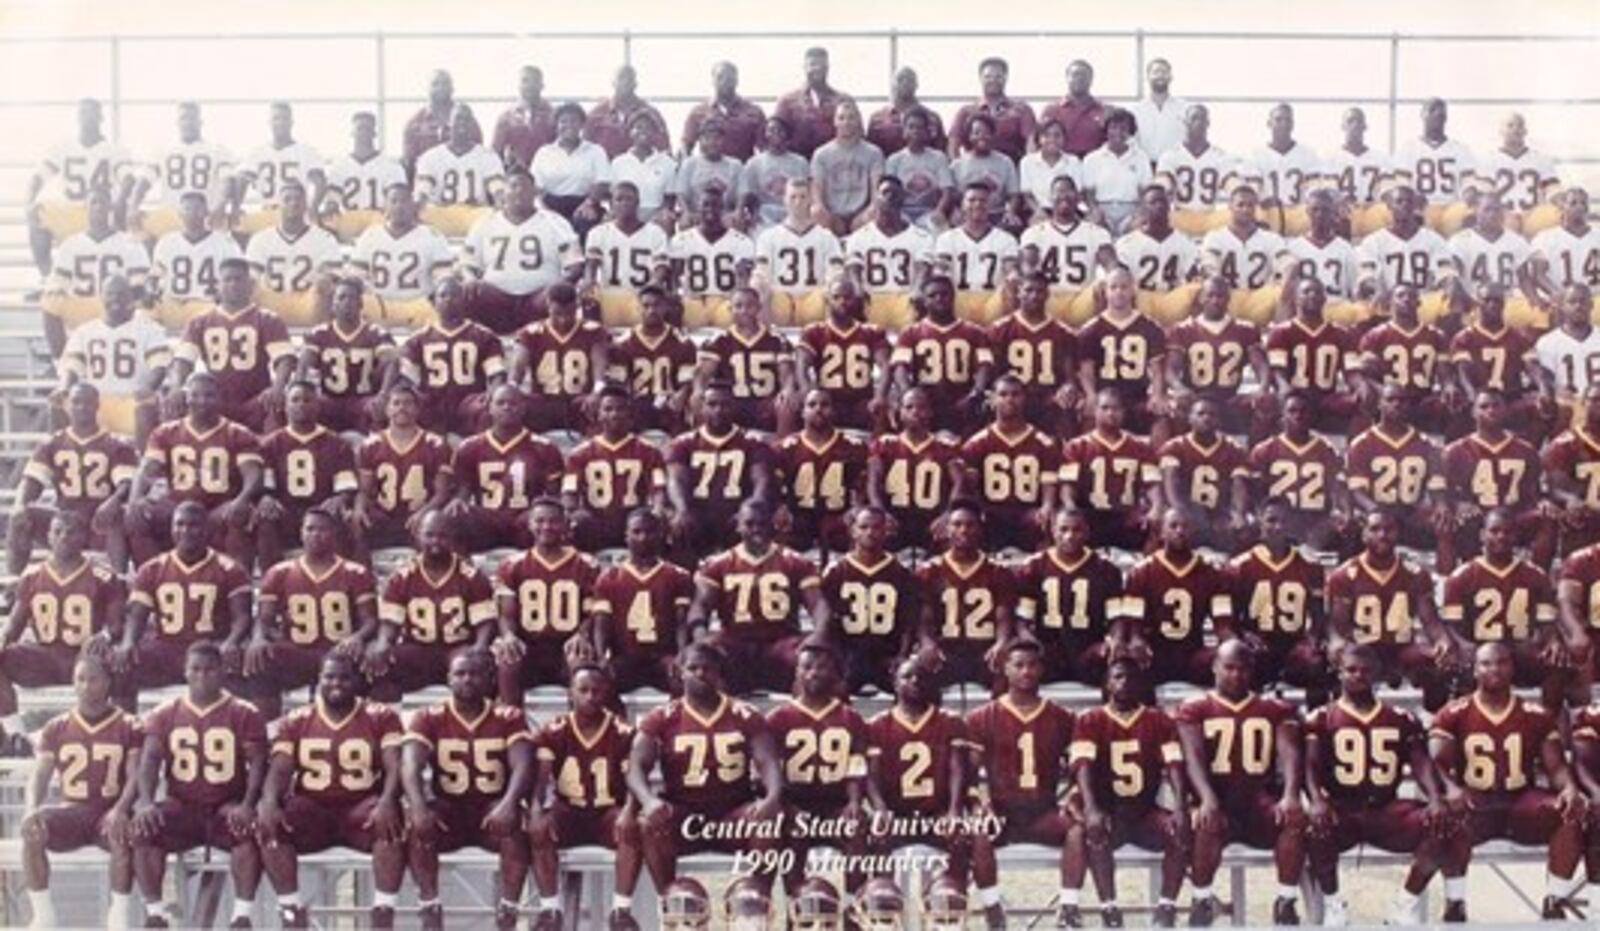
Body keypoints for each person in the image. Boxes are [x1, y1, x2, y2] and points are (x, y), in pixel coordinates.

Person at [1429, 642, 1588, 921]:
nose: (1495, 669)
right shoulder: (1453, 713)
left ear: (1513, 668)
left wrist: (1570, 788)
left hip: (1520, 800)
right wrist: (1451, 789)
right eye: (1486, 663)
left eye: (1502, 662)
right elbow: (1434, 765)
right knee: (1447, 819)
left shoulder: (1536, 715)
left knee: (1569, 814)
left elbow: (1556, 767)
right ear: (1475, 670)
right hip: (1475, 801)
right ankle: (1455, 903)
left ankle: (1556, 900)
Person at [1304, 644, 1453, 927]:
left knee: (1444, 823)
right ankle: (1333, 903)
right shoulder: (1322, 718)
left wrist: (1435, 797)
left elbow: (1421, 762)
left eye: (1365, 671)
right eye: (1351, 670)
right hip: (1342, 809)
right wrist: (1316, 799)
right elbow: (1309, 766)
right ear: (1339, 673)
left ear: (1377, 675)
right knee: (1312, 826)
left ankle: (1405, 904)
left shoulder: (1400, 718)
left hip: (1386, 809)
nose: (1359, 676)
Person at [257, 653, 405, 930]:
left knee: (391, 826)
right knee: (271, 824)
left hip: (361, 806)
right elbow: (279, 769)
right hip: (313, 809)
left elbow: (395, 764)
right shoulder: (296, 719)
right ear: (319, 680)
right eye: (329, 677)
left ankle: (383, 913)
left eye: (344, 677)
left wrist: (387, 801)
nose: (336, 683)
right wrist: (268, 801)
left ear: (356, 681)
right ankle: (291, 911)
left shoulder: (380, 716)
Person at [627, 641, 785, 894]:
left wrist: (773, 798)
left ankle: (758, 900)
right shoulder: (661, 717)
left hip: (733, 812)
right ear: (680, 672)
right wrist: (648, 800)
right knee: (648, 822)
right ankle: (669, 901)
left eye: (708, 668)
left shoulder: (744, 714)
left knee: (768, 819)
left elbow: (768, 762)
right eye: (693, 668)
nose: (700, 674)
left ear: (719, 672)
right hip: (684, 814)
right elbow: (636, 767)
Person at [131, 642, 267, 930]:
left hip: (226, 804)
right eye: (195, 669)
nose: (202, 676)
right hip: (182, 804)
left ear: (223, 672)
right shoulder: (165, 713)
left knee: (248, 832)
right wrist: (144, 801)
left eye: (210, 670)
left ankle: (241, 916)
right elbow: (150, 761)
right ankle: (156, 914)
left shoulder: (243, 712)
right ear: (185, 672)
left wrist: (248, 805)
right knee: (144, 828)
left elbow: (257, 763)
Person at [402, 648, 534, 931]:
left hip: (491, 807)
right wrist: (418, 806)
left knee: (515, 829)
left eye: (474, 674)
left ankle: (508, 910)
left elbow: (523, 765)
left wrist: (510, 803)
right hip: (449, 807)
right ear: (448, 679)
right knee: (418, 827)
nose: (467, 680)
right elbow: (410, 765)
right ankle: (430, 907)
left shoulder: (507, 716)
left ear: (489, 679)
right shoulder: (428, 716)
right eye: (460, 674)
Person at [1176, 640, 1305, 927]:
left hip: (1257, 799)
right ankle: (1202, 900)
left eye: (1243, 669)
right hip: (1218, 798)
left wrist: (1291, 794)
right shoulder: (1195, 707)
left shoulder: (1274, 708)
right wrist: (1206, 797)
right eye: (1229, 668)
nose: (1236, 675)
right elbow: (1192, 758)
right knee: (1207, 819)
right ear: (1214, 667)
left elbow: (1290, 752)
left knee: (1293, 819)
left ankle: (1286, 901)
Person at [20, 654, 142, 929]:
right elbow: (40, 774)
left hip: (108, 811)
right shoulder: (56, 727)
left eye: (94, 679)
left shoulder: (129, 725)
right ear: (73, 683)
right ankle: (43, 916)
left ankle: (118, 915)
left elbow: (136, 775)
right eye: (80, 679)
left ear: (108, 683)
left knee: (123, 835)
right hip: (72, 811)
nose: (86, 686)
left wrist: (121, 809)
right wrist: (30, 809)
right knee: (32, 830)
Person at [1067, 658, 1189, 928]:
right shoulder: (1090, 719)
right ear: (1107, 683)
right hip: (1108, 811)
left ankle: (1166, 907)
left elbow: (1174, 766)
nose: (1125, 683)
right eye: (1118, 677)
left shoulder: (1158, 720)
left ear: (1142, 684)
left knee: (1179, 829)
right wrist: (1091, 808)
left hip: (1144, 811)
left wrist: (1180, 807)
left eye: (1131, 678)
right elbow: (1082, 767)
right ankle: (1109, 908)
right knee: (1094, 829)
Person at [965, 639, 1076, 929]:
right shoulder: (981, 717)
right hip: (1003, 812)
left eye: (1033, 665)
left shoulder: (1062, 717)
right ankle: (992, 907)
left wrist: (1076, 796)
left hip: (1044, 812)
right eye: (1019, 665)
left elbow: (1081, 766)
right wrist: (978, 805)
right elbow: (968, 773)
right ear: (1005, 669)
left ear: (1042, 669)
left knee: (1078, 829)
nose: (1026, 671)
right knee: (977, 831)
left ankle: (1068, 907)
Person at [528, 662, 644, 931]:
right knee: (538, 827)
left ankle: (621, 911)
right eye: (583, 690)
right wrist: (535, 810)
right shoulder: (552, 731)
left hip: (607, 812)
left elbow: (634, 782)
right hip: (568, 810)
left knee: (633, 826)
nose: (590, 696)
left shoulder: (623, 732)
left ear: (606, 693)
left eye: (596, 690)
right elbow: (540, 779)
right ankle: (550, 911)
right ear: (571, 692)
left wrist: (628, 811)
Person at [0, 512, 124, 750]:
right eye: (58, 531)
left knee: (103, 660)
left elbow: (117, 624)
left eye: (71, 532)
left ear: (83, 538)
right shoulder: (32, 577)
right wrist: (3, 639)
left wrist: (104, 636)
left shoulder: (102, 576)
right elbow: (14, 626)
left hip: (85, 655)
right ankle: (17, 737)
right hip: (44, 657)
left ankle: (100, 733)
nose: (64, 537)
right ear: (48, 537)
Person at [687, 499, 829, 694]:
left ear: (772, 525)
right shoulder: (717, 564)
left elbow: (818, 604)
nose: (756, 529)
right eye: (749, 524)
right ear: (738, 525)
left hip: (781, 640)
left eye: (762, 524)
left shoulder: (795, 562)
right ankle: (716, 719)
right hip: (736, 641)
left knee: (813, 661)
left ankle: (804, 717)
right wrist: (701, 636)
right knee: (702, 661)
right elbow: (700, 605)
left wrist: (818, 634)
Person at [1326, 510, 1462, 710]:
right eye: (1375, 529)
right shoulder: (1344, 575)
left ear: (1398, 533)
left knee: (1439, 661)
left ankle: (1435, 719)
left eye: (1389, 529)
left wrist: (1443, 641)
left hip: (1401, 649)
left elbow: (1431, 622)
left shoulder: (1415, 574)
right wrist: (1338, 644)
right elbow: (1338, 626)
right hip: (1363, 650)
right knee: (1340, 662)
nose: (1382, 535)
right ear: (1364, 535)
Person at [766, 639, 870, 896]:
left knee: (857, 826)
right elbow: (768, 772)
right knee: (792, 829)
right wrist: (785, 806)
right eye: (807, 667)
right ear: (797, 673)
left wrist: (854, 802)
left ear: (835, 673)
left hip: (835, 805)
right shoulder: (778, 718)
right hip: (795, 804)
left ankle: (852, 906)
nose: (814, 672)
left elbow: (856, 765)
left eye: (822, 667)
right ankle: (796, 905)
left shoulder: (850, 718)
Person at [116, 501, 254, 694]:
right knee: (120, 665)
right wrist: (128, 641)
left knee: (248, 665)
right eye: (179, 524)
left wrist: (231, 642)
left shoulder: (230, 569)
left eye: (193, 525)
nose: (185, 531)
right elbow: (136, 616)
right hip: (166, 648)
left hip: (211, 649)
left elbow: (243, 617)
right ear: (171, 528)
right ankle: (127, 723)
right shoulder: (151, 569)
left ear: (206, 530)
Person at [126, 372, 263, 566]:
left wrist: (242, 499)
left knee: (240, 514)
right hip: (177, 508)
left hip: (218, 507)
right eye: (195, 395)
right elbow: (146, 470)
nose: (202, 401)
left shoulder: (237, 433)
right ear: (186, 397)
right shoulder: (165, 432)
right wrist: (135, 501)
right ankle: (150, 581)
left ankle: (237, 582)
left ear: (219, 398)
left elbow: (253, 474)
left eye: (209, 395)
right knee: (136, 515)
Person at [251, 508, 378, 715]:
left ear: (334, 533)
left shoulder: (355, 573)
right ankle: (267, 729)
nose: (315, 534)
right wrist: (258, 639)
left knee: (368, 660)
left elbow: (370, 621)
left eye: (322, 529)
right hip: (297, 651)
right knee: (261, 658)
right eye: (310, 529)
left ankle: (356, 724)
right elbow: (264, 618)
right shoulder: (278, 573)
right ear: (301, 533)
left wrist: (357, 637)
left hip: (340, 654)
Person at [1441, 509, 1569, 709]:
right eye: (1495, 531)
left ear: (1515, 536)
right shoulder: (1462, 577)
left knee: (1556, 662)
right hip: (1478, 652)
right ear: (1482, 535)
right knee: (1454, 666)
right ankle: (1462, 722)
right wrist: (1463, 645)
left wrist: (1553, 641)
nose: (1501, 536)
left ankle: (1547, 724)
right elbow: (1451, 626)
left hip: (1518, 651)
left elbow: (1546, 622)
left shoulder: (1535, 575)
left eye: (1507, 532)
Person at [862, 656, 974, 880]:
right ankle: (883, 900)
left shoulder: (951, 722)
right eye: (907, 676)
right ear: (894, 682)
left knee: (959, 837)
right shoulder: (876, 725)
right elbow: (871, 775)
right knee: (877, 837)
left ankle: (953, 899)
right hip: (896, 816)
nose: (914, 681)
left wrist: (954, 811)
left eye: (921, 677)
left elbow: (957, 769)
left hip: (936, 815)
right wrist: (880, 808)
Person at [365, 514, 497, 700]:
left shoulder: (471, 576)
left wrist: (480, 646)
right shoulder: (402, 577)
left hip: (458, 647)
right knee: (378, 661)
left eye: (442, 536)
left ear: (452, 537)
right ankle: (387, 720)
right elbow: (390, 622)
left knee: (476, 665)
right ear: (418, 537)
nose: (435, 541)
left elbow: (485, 621)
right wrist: (384, 642)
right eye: (430, 535)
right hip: (417, 649)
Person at [7, 387, 133, 574]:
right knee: (20, 516)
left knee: (118, 516)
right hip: (65, 520)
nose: (82, 407)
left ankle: (118, 583)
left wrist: (113, 501)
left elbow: (127, 485)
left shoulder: (114, 444)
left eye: (87, 402)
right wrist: (19, 505)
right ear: (67, 406)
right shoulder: (53, 443)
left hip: (99, 522)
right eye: (76, 402)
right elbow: (31, 481)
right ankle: (16, 583)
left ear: (97, 405)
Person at [491, 497, 602, 700]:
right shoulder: (511, 565)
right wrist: (509, 636)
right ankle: (512, 726)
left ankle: (575, 727)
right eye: (540, 521)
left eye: (553, 521)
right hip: (530, 645)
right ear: (530, 524)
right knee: (508, 660)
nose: (546, 527)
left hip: (566, 645)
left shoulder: (586, 565)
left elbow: (591, 612)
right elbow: (507, 614)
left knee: (581, 665)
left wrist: (582, 634)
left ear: (566, 525)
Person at [168, 257, 295, 432]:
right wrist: (177, 387)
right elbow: (183, 361)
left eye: (238, 279)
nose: (233, 284)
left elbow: (284, 359)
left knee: (275, 404)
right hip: (214, 401)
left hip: (255, 399)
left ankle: (270, 456)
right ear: (218, 286)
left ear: (250, 285)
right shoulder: (200, 321)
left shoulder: (267, 319)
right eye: (227, 280)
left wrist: (278, 386)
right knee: (178, 401)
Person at [1116, 508, 1235, 687]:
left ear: (1194, 531)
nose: (1180, 531)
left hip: (1193, 653)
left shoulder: (1211, 573)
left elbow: (1223, 626)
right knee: (1126, 664)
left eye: (1185, 526)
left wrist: (1232, 646)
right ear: (1162, 532)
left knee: (1232, 658)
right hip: (1155, 653)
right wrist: (1137, 642)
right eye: (1173, 526)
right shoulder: (1141, 572)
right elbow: (1134, 629)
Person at [1225, 497, 1329, 694]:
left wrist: (1312, 639)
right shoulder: (1240, 566)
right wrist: (1245, 635)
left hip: (1293, 645)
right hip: (1258, 644)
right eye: (1271, 520)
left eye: (1284, 521)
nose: (1278, 527)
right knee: (1243, 661)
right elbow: (1229, 619)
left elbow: (1318, 615)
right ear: (1259, 520)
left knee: (1316, 662)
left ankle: (1317, 720)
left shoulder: (1310, 565)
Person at [1441, 390, 1553, 571]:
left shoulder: (1526, 450)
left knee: (1547, 518)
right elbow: (1443, 493)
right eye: (1484, 406)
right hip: (1477, 518)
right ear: (1473, 412)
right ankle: (1471, 575)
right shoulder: (1454, 451)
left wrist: (1543, 503)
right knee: (1464, 519)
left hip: (1514, 517)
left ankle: (1539, 576)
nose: (1490, 411)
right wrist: (1459, 504)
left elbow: (1535, 492)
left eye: (1496, 406)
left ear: (1506, 410)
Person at [445, 385, 564, 552]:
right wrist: (458, 501)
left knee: (549, 520)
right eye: (500, 403)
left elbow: (554, 495)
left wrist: (537, 515)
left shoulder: (544, 448)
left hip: (526, 521)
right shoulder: (469, 448)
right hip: (486, 520)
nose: (507, 407)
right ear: (489, 408)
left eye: (513, 403)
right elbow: (464, 491)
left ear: (523, 408)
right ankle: (463, 569)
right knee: (454, 514)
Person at [1011, 508, 1122, 686]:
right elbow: (1023, 619)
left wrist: (1114, 641)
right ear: (1053, 531)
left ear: (1087, 532)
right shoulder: (1034, 567)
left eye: (1076, 530)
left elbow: (1116, 617)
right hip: (1049, 649)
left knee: (1121, 668)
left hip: (1089, 647)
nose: (1069, 536)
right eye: (1063, 529)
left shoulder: (1106, 570)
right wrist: (1029, 640)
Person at [254, 382, 359, 569]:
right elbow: (267, 487)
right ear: (285, 406)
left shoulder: (336, 443)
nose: (301, 404)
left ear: (318, 405)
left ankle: (341, 578)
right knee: (265, 519)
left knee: (341, 518)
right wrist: (266, 497)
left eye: (307, 400)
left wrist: (340, 498)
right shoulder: (271, 444)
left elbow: (345, 487)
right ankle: (271, 581)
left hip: (322, 510)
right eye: (295, 400)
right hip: (287, 511)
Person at [664, 381, 774, 558]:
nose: (718, 410)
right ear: (701, 408)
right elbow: (676, 479)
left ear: (734, 408)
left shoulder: (752, 443)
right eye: (712, 404)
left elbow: (761, 481)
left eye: (725, 405)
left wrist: (751, 512)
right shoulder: (684, 443)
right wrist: (682, 509)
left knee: (755, 524)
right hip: (698, 515)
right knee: (680, 526)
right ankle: (686, 581)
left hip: (735, 515)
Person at [817, 506, 922, 692]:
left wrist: (902, 655)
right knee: (829, 689)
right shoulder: (837, 571)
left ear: (885, 531)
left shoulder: (900, 572)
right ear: (853, 531)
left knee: (918, 689)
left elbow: (909, 620)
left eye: (876, 527)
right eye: (864, 527)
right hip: (848, 656)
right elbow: (825, 618)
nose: (870, 533)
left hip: (886, 655)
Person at [591, 509, 694, 693]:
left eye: (649, 532)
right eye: (636, 532)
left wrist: (681, 655)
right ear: (626, 535)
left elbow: (681, 622)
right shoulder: (609, 577)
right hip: (625, 656)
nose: (643, 537)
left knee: (685, 681)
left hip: (663, 657)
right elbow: (601, 624)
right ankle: (613, 722)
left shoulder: (677, 576)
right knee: (600, 684)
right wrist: (601, 657)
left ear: (660, 534)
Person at [56, 276, 167, 444]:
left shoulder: (149, 329)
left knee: (146, 407)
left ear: (131, 298)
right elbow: (72, 367)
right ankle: (59, 462)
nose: (115, 298)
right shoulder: (85, 331)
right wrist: (63, 388)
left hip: (131, 401)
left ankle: (145, 464)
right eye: (110, 294)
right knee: (58, 403)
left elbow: (159, 366)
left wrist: (148, 387)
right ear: (101, 297)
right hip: (95, 402)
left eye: (121, 294)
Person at [916, 501, 1015, 687]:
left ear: (980, 529)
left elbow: (1004, 614)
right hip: (946, 650)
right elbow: (924, 617)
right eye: (957, 524)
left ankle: (995, 717)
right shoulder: (929, 571)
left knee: (1008, 673)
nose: (964, 530)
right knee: (916, 675)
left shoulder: (998, 572)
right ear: (946, 529)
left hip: (984, 650)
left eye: (970, 525)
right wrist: (927, 642)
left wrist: (1002, 642)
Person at [26, 98, 132, 272]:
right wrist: (28, 202)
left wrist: (120, 203)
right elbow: (37, 178)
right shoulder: (63, 147)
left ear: (101, 117)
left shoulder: (115, 150)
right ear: (76, 117)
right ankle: (47, 275)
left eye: (92, 112)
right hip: (70, 211)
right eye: (83, 112)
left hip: (102, 214)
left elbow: (128, 179)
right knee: (36, 213)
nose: (87, 117)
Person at [958, 375, 1062, 550]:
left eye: (1015, 394)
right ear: (993, 398)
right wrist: (979, 511)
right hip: (992, 514)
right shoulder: (976, 443)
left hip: (1028, 512)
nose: (1009, 399)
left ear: (1024, 398)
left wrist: (1047, 507)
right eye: (1003, 394)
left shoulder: (1044, 443)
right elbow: (971, 489)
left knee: (1048, 520)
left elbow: (1049, 487)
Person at [1239, 391, 1350, 553]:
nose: (1298, 416)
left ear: (1311, 416)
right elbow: (1255, 492)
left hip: (1316, 519)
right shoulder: (1265, 450)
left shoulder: (1326, 449)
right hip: (1280, 521)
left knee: (1347, 531)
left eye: (1303, 411)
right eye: (1292, 411)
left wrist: (1341, 513)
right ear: (1282, 415)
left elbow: (1338, 487)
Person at [1343, 383, 1449, 551]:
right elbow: (1357, 492)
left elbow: (1437, 488)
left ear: (1410, 406)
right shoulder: (1362, 444)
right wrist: (1376, 511)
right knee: (1352, 529)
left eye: (1402, 400)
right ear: (1379, 404)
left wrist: (1441, 506)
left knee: (1446, 524)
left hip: (1410, 513)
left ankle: (1442, 574)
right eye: (1390, 399)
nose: (1397, 404)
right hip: (1375, 510)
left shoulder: (1427, 445)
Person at [40, 185, 150, 346]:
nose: (98, 207)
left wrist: (124, 301)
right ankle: (62, 362)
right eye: (94, 202)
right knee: (49, 302)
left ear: (110, 207)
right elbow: (58, 284)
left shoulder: (130, 243)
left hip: (116, 306)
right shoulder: (71, 244)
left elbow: (139, 286)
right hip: (82, 304)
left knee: (146, 306)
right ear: (86, 207)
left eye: (103, 202)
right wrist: (55, 290)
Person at [351, 384, 455, 554]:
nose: (402, 408)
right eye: (396, 403)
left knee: (436, 527)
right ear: (387, 409)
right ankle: (363, 577)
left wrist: (424, 513)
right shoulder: (370, 445)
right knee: (355, 523)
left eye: (408, 403)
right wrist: (359, 509)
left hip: (418, 515)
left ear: (417, 410)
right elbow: (364, 490)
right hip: (384, 515)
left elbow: (442, 493)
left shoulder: (436, 445)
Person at [562, 384, 667, 552]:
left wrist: (657, 510)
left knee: (655, 522)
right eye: (608, 409)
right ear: (598, 414)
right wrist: (571, 512)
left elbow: (658, 489)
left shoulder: (649, 451)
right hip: (596, 522)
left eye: (620, 409)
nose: (614, 414)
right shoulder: (579, 454)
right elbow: (569, 492)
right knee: (578, 522)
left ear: (630, 415)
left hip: (634, 521)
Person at [396, 276, 507, 432]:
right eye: (443, 295)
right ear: (434, 302)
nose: (449, 299)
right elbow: (406, 380)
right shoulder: (417, 340)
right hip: (433, 405)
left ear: (464, 301)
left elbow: (497, 375)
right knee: (404, 405)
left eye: (455, 295)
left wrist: (493, 394)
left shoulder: (484, 336)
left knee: (489, 408)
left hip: (469, 403)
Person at [890, 274, 996, 434]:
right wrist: (908, 394)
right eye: (932, 295)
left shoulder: (975, 332)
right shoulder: (910, 333)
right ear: (924, 301)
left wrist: (975, 393)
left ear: (953, 297)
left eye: (944, 294)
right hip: (926, 402)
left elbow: (985, 366)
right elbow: (899, 368)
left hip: (963, 399)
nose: (939, 299)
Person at [1166, 276, 1270, 440]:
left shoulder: (1245, 329)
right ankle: (1179, 455)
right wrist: (1179, 387)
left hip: (1229, 400)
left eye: (1220, 296)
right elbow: (1171, 368)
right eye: (1210, 295)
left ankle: (1253, 460)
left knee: (1265, 406)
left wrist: (1262, 388)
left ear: (1228, 299)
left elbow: (1260, 364)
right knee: (1175, 408)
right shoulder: (1183, 329)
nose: (1215, 301)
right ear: (1201, 298)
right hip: (1195, 398)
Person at [1061, 388, 1162, 551]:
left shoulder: (1140, 446)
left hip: (1126, 515)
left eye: (1116, 408)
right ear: (1095, 411)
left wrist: (1156, 508)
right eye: (1105, 408)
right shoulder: (1076, 446)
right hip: (1090, 516)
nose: (1110, 413)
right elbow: (1068, 486)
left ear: (1123, 412)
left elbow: (1152, 484)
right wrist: (1071, 506)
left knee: (1149, 526)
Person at [1076, 268, 1173, 438]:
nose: (1119, 292)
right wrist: (1091, 395)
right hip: (1104, 399)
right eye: (1113, 287)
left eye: (1124, 287)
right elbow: (1086, 371)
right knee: (1088, 414)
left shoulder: (1150, 327)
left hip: (1137, 398)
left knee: (1162, 416)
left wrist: (1157, 395)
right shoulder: (1091, 329)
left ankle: (1159, 462)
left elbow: (1157, 369)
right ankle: (1086, 462)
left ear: (1133, 290)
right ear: (1105, 291)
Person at [772, 388, 868, 554]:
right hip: (798, 516)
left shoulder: (853, 447)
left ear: (834, 411)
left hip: (838, 516)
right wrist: (780, 507)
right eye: (812, 404)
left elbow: (860, 488)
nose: (818, 409)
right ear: (802, 412)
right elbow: (773, 486)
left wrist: (857, 508)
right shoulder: (785, 448)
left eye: (825, 405)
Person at [866, 387, 962, 550]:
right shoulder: (886, 444)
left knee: (952, 538)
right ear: (900, 412)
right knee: (873, 537)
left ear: (930, 412)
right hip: (895, 519)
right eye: (909, 407)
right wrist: (881, 514)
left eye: (921, 407)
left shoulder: (945, 447)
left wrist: (948, 514)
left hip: (932, 519)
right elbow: (873, 483)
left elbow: (959, 483)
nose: (915, 412)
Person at [1263, 280, 1364, 434]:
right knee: (1270, 410)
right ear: (1295, 298)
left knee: (1361, 409)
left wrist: (1361, 387)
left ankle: (1354, 455)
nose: (1312, 295)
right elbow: (1278, 372)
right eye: (1306, 292)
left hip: (1327, 398)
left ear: (1325, 299)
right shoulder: (1281, 332)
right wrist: (1284, 388)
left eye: (1317, 292)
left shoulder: (1341, 334)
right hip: (1296, 397)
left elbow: (1352, 373)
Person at [298, 278, 397, 433]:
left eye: (352, 297)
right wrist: (304, 394)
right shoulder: (319, 333)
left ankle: (376, 451)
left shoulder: (375, 333)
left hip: (364, 400)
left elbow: (392, 363)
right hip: (328, 400)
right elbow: (304, 365)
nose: (347, 302)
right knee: (305, 407)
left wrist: (384, 394)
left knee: (380, 409)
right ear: (333, 305)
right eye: (341, 297)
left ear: (361, 304)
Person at [693, 286, 798, 432]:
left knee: (786, 404)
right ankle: (705, 449)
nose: (744, 311)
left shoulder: (776, 340)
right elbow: (703, 374)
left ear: (759, 308)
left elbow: (786, 374)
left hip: (765, 403)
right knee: (701, 402)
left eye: (750, 306)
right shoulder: (718, 341)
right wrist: (698, 390)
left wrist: (787, 390)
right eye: (738, 306)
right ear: (730, 309)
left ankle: (783, 451)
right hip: (729, 403)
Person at [349, 183, 456, 328]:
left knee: (444, 310)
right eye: (393, 201)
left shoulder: (432, 236)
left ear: (413, 205)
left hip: (418, 305)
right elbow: (356, 278)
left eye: (404, 201)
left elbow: (444, 278)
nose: (399, 206)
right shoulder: (370, 236)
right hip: (380, 305)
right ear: (385, 206)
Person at [989, 270, 1082, 433]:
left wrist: (1068, 388)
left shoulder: (1063, 333)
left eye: (1039, 291)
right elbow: (992, 372)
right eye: (1028, 290)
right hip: (1012, 399)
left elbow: (1070, 377)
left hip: (1049, 400)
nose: (1034, 296)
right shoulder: (1000, 329)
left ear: (1047, 295)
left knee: (1067, 408)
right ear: (1018, 293)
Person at [127, 100, 234, 241]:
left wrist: (221, 205)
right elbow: (144, 181)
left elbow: (227, 180)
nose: (188, 123)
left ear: (200, 121)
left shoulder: (217, 150)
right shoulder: (163, 150)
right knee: (141, 238)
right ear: (177, 122)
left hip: (205, 217)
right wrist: (133, 206)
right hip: (172, 215)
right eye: (184, 118)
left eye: (192, 118)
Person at [796, 275, 892, 431]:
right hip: (827, 402)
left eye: (847, 297)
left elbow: (885, 365)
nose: (842, 301)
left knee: (880, 411)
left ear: (855, 300)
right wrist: (807, 392)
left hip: (862, 401)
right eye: (836, 297)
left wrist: (880, 395)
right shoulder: (814, 332)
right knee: (805, 409)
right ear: (827, 300)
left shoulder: (871, 332)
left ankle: (879, 453)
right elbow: (802, 365)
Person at [511, 282, 609, 430]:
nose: (563, 320)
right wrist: (512, 387)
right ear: (547, 305)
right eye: (557, 314)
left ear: (577, 307)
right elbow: (518, 367)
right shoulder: (531, 332)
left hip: (580, 403)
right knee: (511, 411)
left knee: (604, 414)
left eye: (569, 314)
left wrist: (597, 392)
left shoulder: (593, 331)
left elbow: (600, 365)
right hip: (543, 404)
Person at [1019, 176, 1115, 326]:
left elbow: (1111, 264)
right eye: (1059, 191)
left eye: (1069, 191)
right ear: (1050, 198)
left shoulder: (1096, 233)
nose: (1064, 196)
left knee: (1107, 285)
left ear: (1078, 197)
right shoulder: (1034, 233)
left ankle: (1097, 338)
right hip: (1048, 297)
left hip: (1083, 298)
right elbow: (1027, 266)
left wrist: (1112, 277)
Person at [243, 179, 340, 327]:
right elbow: (252, 277)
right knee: (248, 286)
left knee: (325, 288)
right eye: (287, 199)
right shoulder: (261, 239)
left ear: (306, 205)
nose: (293, 203)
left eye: (298, 199)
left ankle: (318, 337)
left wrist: (323, 282)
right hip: (272, 300)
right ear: (277, 205)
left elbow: (332, 277)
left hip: (308, 302)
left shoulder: (324, 239)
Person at [1159, 396, 1251, 550]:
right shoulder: (1174, 447)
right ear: (1190, 418)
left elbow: (1238, 485)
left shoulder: (1233, 449)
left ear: (1219, 421)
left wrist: (1238, 513)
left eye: (1212, 414)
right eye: (1200, 414)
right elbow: (1171, 483)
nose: (1206, 418)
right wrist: (1180, 511)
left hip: (1219, 510)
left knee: (1242, 530)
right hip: (1187, 508)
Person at [844, 175, 935, 328]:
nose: (890, 197)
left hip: (906, 298)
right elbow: (853, 268)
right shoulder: (859, 237)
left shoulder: (921, 237)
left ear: (903, 199)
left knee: (922, 303)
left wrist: (918, 289)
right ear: (876, 198)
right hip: (872, 298)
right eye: (885, 192)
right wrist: (857, 288)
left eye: (895, 194)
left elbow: (923, 268)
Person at [147, 189, 242, 331]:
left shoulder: (224, 243)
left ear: (206, 212)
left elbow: (238, 277)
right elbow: (154, 276)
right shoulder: (167, 241)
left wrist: (223, 295)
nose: (192, 213)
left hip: (206, 303)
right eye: (187, 209)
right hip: (173, 304)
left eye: (198, 209)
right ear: (180, 213)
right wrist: (150, 291)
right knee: (142, 315)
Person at [606, 284, 697, 431]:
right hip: (636, 407)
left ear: (665, 308)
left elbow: (687, 383)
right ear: (638, 308)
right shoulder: (623, 343)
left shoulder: (683, 343)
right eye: (646, 305)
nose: (651, 310)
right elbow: (617, 383)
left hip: (669, 406)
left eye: (656, 305)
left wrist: (682, 394)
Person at [755, 178, 844, 326]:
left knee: (831, 293)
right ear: (784, 200)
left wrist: (831, 288)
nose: (798, 202)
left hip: (814, 299)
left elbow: (835, 273)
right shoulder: (768, 237)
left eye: (802, 197)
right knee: (764, 292)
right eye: (793, 197)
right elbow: (761, 274)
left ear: (810, 199)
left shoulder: (826, 237)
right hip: (780, 300)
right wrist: (761, 289)